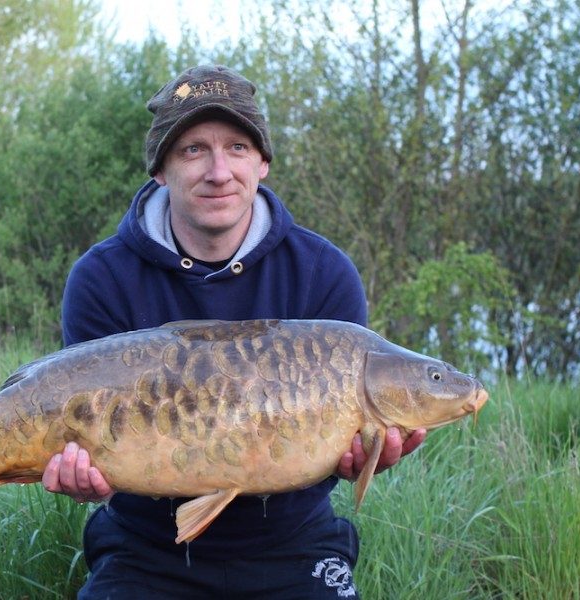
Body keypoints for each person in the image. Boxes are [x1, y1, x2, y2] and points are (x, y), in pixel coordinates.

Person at [41, 64, 426, 599]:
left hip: (294, 541)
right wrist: (81, 472)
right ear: (160, 169)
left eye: (239, 148)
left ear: (263, 161)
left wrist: (364, 458)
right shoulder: (102, 278)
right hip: (144, 545)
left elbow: (340, 454)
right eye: (193, 149)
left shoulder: (324, 273)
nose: (219, 171)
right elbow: (81, 428)